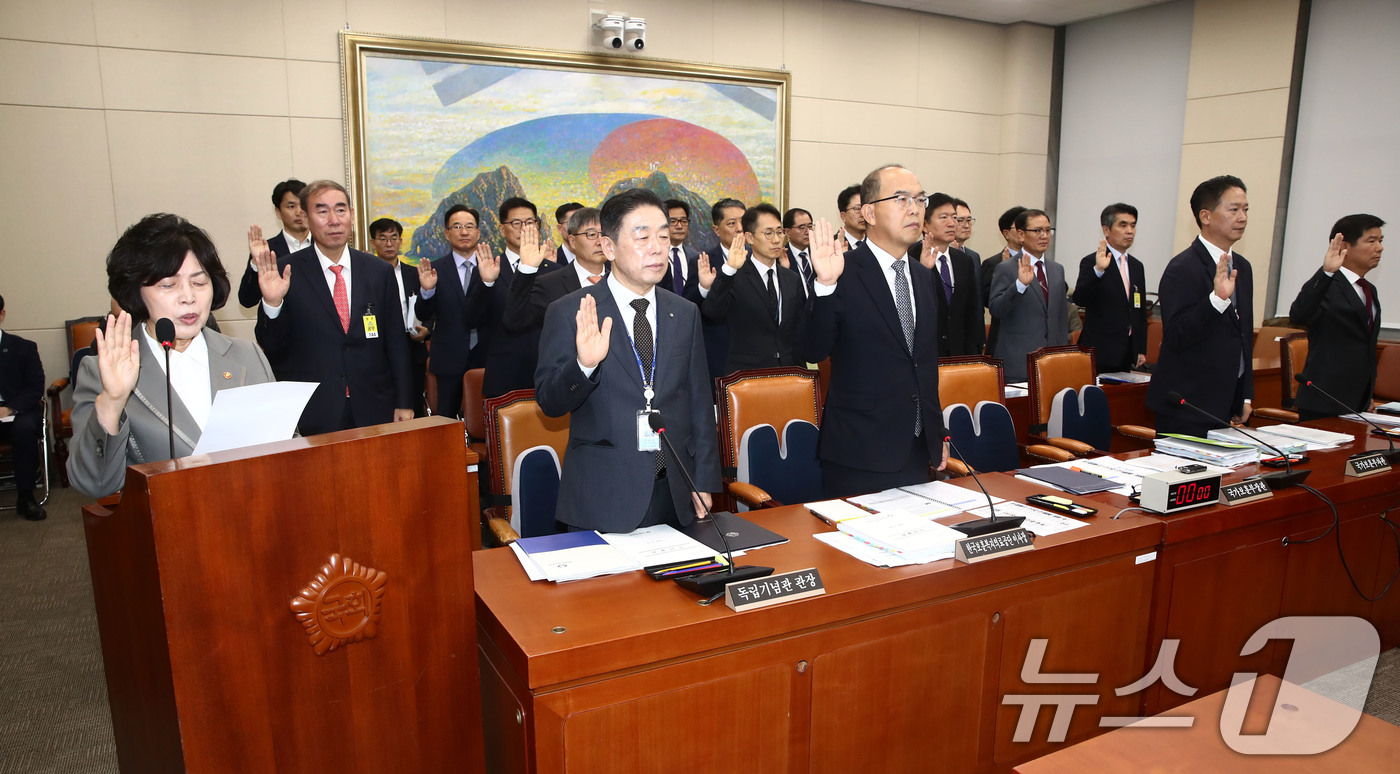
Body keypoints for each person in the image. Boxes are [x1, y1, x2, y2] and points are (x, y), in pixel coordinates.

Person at [535, 188, 719, 532]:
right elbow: (549, 403)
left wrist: (704, 478)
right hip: (603, 494)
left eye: (663, 236)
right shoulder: (572, 311)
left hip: (676, 491)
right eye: (642, 236)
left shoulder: (684, 312)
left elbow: (699, 403)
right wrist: (584, 365)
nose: (657, 247)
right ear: (608, 247)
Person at [68, 214, 276, 498]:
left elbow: (286, 446)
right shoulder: (100, 371)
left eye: (200, 282)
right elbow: (94, 484)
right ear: (136, 293)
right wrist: (112, 402)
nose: (188, 297)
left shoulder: (247, 355)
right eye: (168, 285)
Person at [800, 164, 948, 498]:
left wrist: (938, 434)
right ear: (869, 212)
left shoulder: (924, 278)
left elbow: (924, 366)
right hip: (859, 453)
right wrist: (824, 284)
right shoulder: (842, 271)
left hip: (916, 447)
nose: (914, 208)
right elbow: (812, 350)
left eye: (920, 199)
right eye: (901, 199)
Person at [253, 180, 414, 435]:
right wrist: (273, 303)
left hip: (374, 405)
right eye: (322, 211)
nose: (334, 220)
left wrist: (404, 401)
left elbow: (396, 341)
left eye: (341, 210)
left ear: (351, 214)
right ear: (305, 218)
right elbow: (272, 346)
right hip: (314, 410)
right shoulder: (286, 272)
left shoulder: (378, 271)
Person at [1146, 175, 1254, 436]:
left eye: (1246, 209)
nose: (1243, 217)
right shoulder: (1183, 268)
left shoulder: (1243, 267)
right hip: (1188, 406)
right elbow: (1177, 336)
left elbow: (1243, 336)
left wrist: (1246, 395)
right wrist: (1216, 301)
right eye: (1234, 209)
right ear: (1205, 216)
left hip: (1228, 402)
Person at [1290, 214, 1386, 420]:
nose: (1379, 248)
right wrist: (1326, 273)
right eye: (1371, 241)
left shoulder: (1369, 290)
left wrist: (1367, 394)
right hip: (1323, 401)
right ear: (1345, 246)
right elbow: (1298, 314)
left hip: (1358, 402)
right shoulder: (1327, 284)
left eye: (1380, 241)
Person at [699, 203, 806, 374]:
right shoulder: (734, 276)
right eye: (768, 233)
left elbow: (798, 332)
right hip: (747, 377)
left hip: (787, 374)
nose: (777, 239)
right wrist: (729, 270)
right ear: (749, 238)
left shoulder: (791, 279)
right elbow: (712, 312)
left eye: (779, 232)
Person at [415, 205, 498, 415]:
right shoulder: (436, 270)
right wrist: (427, 291)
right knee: (446, 419)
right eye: (457, 226)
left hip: (488, 355)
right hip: (448, 356)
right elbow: (423, 314)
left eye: (469, 226)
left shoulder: (495, 267)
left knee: (488, 419)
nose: (464, 232)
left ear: (478, 232)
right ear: (446, 233)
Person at [482, 197, 558, 398]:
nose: (524, 229)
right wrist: (487, 283)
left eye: (530, 222)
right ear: (501, 229)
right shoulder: (489, 269)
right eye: (516, 223)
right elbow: (471, 319)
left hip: (549, 372)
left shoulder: (555, 271)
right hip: (505, 374)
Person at [988, 209, 1068, 382]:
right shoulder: (1006, 268)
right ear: (1021, 234)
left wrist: (1063, 355)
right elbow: (996, 309)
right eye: (1037, 230)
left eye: (1048, 230)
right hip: (1018, 363)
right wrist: (1019, 285)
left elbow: (1061, 318)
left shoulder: (1057, 270)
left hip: (1051, 362)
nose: (1044, 235)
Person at [506, 207, 609, 339]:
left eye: (604, 234)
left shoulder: (621, 279)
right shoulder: (549, 284)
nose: (600, 242)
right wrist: (526, 269)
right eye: (592, 235)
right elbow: (515, 322)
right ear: (572, 241)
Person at [1072, 203, 1148, 373]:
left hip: (1128, 352)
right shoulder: (1092, 261)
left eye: (1133, 225)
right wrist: (1098, 270)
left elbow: (1139, 310)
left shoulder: (1137, 266)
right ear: (1106, 230)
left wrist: (1140, 347)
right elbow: (1080, 298)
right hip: (1100, 351)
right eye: (1123, 225)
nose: (1130, 231)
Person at [908, 192, 983, 357]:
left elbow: (971, 313)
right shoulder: (910, 257)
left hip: (958, 353)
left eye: (954, 218)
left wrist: (971, 356)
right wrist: (923, 270)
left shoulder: (964, 261)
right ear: (925, 225)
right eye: (944, 218)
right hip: (924, 354)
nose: (952, 224)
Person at [370, 217, 430, 417]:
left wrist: (426, 330)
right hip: (377, 352)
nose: (389, 244)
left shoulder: (415, 274)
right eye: (383, 238)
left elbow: (429, 309)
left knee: (412, 408)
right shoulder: (365, 276)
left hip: (411, 348)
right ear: (373, 242)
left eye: (394, 238)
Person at [0, 294, 47, 519]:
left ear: (2, 315)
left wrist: (8, 409)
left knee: (24, 429)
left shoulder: (23, 348)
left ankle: (26, 497)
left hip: (18, 411)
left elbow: (35, 386)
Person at [237, 179, 311, 308]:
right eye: (291, 206)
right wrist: (256, 264)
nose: (299, 212)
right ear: (278, 212)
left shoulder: (324, 246)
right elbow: (247, 300)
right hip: (281, 327)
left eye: (303, 206)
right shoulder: (266, 250)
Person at [981, 205, 1027, 356]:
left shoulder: (1037, 262)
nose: (1024, 233)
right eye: (1019, 228)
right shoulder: (993, 263)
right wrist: (1007, 270)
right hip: (1004, 338)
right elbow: (989, 301)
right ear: (1006, 233)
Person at [660, 199, 703, 301]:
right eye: (673, 221)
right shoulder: (655, 255)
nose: (679, 226)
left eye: (683, 221)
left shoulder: (696, 257)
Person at [783, 207, 817, 297]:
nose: (807, 232)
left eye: (810, 226)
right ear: (787, 232)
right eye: (802, 227)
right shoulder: (781, 258)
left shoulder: (819, 253)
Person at [836, 184, 866, 250]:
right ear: (843, 216)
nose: (863, 214)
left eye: (866, 208)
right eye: (858, 209)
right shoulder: (832, 245)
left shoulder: (876, 244)